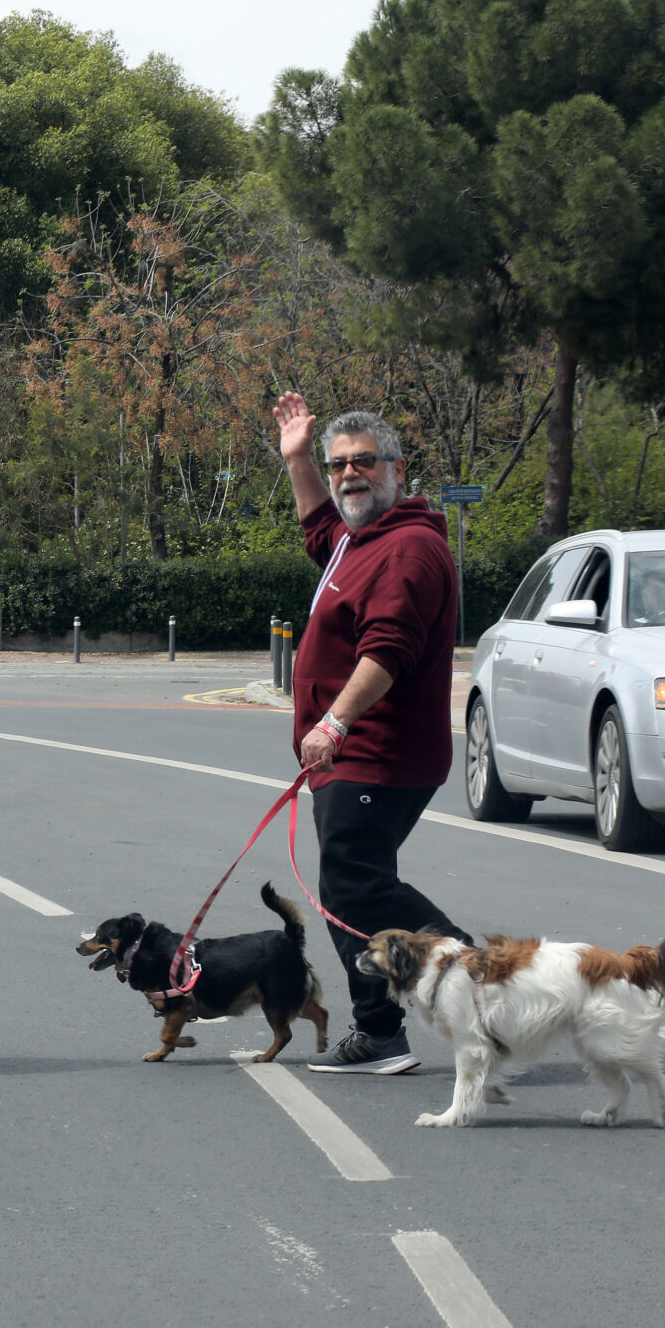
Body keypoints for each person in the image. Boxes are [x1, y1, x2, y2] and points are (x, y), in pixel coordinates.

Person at [272, 394, 473, 1076]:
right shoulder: (359, 539)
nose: (349, 475)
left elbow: (387, 651)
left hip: (379, 751)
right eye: (338, 466)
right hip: (353, 754)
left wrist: (334, 720)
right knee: (347, 886)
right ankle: (382, 1028)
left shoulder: (410, 550)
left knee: (355, 884)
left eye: (364, 462)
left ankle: (473, 967)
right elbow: (319, 532)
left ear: (398, 468)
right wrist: (297, 459)